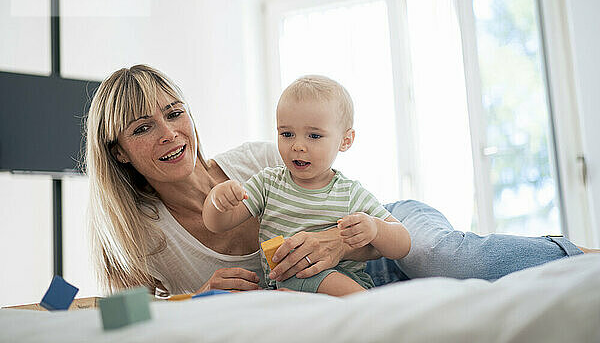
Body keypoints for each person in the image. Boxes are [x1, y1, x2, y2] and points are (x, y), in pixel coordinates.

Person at [86, 64, 587, 296]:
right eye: (143, 127)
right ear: (120, 152)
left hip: (387, 228)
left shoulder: (261, 162)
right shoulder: (137, 239)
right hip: (345, 285)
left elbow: (373, 224)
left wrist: (335, 240)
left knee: (443, 255)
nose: (171, 133)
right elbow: (121, 320)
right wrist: (193, 299)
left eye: (175, 113)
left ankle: (574, 254)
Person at [203, 76, 411, 296]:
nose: (298, 146)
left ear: (345, 141)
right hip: (287, 288)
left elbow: (403, 243)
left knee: (305, 272)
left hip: (344, 289)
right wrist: (218, 200)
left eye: (314, 135)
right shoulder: (268, 183)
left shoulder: (349, 193)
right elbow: (217, 224)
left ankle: (373, 309)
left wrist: (376, 229)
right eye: (287, 134)